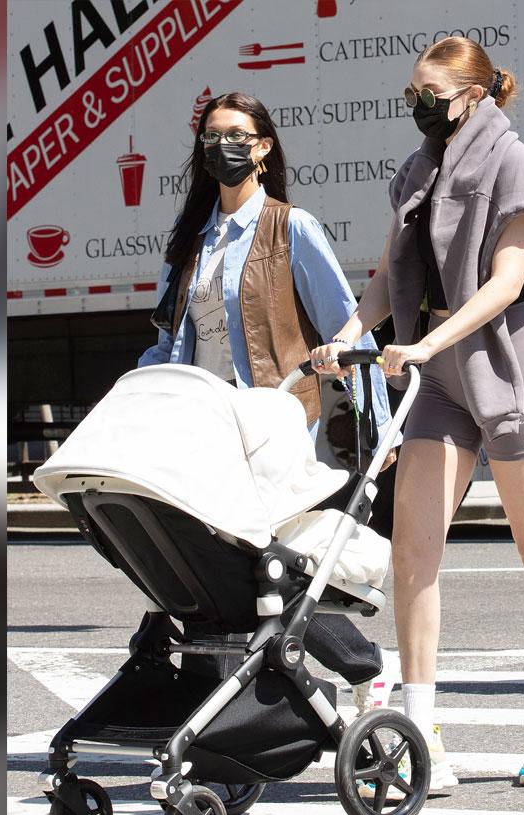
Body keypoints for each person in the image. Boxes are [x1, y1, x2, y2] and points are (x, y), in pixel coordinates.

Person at [312, 37, 524, 788]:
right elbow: (389, 274)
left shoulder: (513, 163)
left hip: (510, 366)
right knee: (413, 554)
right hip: (440, 375)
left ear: (472, 95)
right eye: (412, 93)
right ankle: (420, 729)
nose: (418, 107)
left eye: (430, 95)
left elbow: (507, 282)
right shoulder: (417, 170)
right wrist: (350, 332)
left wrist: (425, 342)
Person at [139, 91, 399, 707]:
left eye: (235, 135)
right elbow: (166, 343)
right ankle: (233, 705)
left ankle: (361, 668)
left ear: (261, 148)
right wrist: (130, 406)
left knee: (263, 560)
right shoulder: (192, 244)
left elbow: (348, 326)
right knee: (213, 566)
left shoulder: (292, 227)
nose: (220, 147)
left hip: (271, 420)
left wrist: (378, 422)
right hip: (201, 427)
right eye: (210, 137)